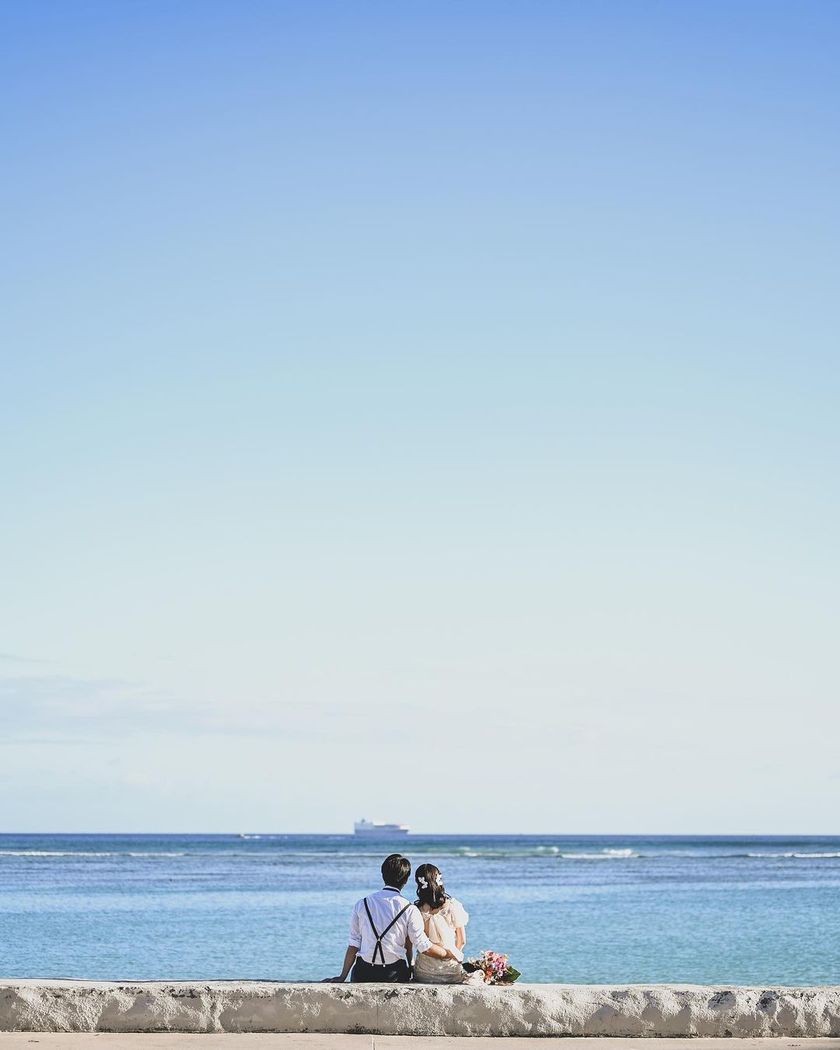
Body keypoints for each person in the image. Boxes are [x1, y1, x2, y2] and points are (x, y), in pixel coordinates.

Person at [323, 853, 457, 983]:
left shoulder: (361, 904)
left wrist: (342, 976)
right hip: (393, 974)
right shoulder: (409, 909)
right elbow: (423, 946)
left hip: (362, 973)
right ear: (405, 880)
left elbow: (354, 943)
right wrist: (449, 953)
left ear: (383, 875)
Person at [411, 863, 471, 984]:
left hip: (424, 973)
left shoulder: (416, 910)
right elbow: (462, 941)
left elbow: (412, 942)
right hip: (451, 972)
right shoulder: (453, 906)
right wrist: (452, 957)